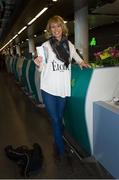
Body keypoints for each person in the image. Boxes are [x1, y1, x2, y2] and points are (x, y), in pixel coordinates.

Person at [34, 15, 90, 157]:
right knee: (54, 119)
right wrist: (38, 63)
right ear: (50, 30)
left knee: (59, 118)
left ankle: (58, 137)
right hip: (48, 89)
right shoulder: (45, 47)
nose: (56, 29)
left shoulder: (69, 45)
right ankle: (60, 149)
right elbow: (41, 69)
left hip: (63, 89)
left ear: (62, 27)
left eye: (58, 26)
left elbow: (78, 59)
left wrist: (83, 63)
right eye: (53, 27)